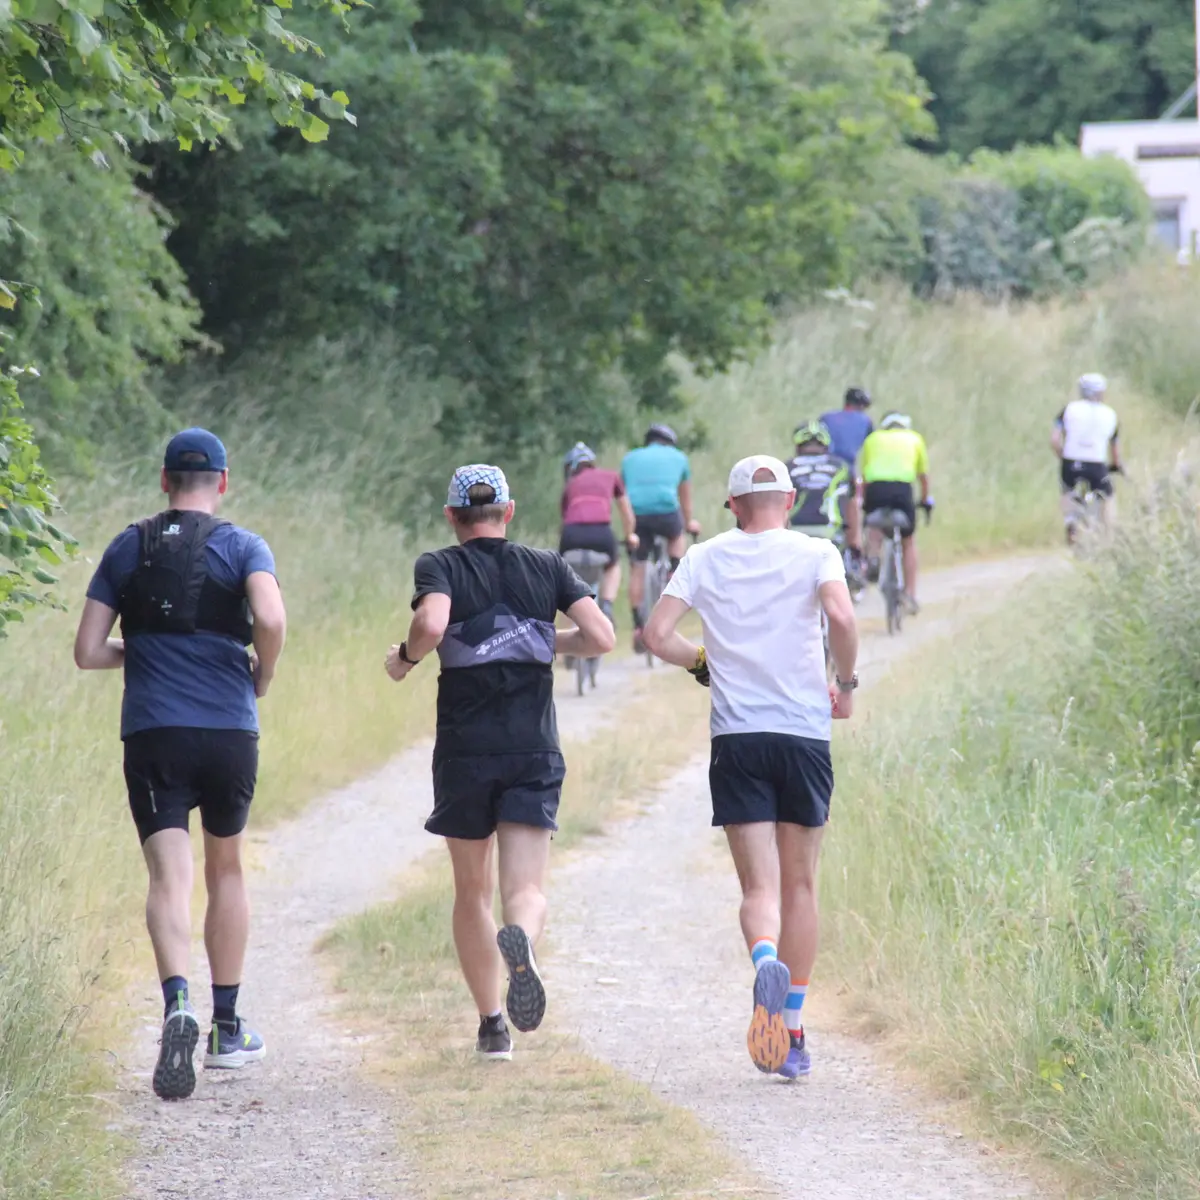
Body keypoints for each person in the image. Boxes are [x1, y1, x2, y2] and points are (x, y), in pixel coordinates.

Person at [74, 428, 287, 1101]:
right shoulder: (244, 545)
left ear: (163, 480)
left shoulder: (128, 545)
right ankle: (226, 1029)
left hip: (153, 732)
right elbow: (272, 619)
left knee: (169, 875)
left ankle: (177, 1006)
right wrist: (263, 672)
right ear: (222, 482)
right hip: (228, 729)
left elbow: (86, 650)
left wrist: (139, 653)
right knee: (226, 867)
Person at [384, 464, 614, 1061]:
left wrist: (406, 658)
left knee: (471, 891)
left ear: (452, 517)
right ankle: (524, 946)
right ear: (508, 511)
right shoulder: (546, 565)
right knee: (526, 887)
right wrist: (539, 639)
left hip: (465, 748)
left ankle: (492, 1027)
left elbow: (432, 623)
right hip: (532, 744)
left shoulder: (440, 564)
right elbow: (602, 637)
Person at [642, 455, 858, 1080]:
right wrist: (843, 682)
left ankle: (764, 956)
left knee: (759, 891)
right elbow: (841, 617)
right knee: (801, 888)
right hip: (802, 735)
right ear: (789, 501)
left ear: (733, 505)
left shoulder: (706, 556)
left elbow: (657, 635)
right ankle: (789, 1029)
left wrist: (702, 663)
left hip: (737, 736)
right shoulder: (817, 552)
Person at [620, 423, 701, 652]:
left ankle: (637, 626)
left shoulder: (629, 458)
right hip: (667, 513)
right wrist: (688, 523)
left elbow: (623, 496)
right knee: (677, 536)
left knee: (638, 568)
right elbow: (685, 499)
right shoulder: (679, 457)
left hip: (638, 516)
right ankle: (674, 570)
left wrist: (629, 529)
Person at [859, 411, 932, 611]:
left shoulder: (872, 439)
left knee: (874, 524)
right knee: (908, 542)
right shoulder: (914, 438)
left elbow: (864, 477)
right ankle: (910, 594)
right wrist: (925, 500)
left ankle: (873, 555)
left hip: (876, 488)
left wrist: (863, 502)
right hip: (902, 490)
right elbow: (923, 477)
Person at [559, 442, 639, 624]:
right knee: (613, 565)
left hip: (571, 536)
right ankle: (607, 604)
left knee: (564, 577)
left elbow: (564, 521)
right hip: (601, 534)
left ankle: (569, 624)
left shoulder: (570, 485)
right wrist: (630, 536)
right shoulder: (611, 476)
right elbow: (627, 513)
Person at [786, 421, 863, 575]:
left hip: (794, 533)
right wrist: (855, 544)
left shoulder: (787, 468)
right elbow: (851, 506)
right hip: (831, 532)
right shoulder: (841, 467)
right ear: (826, 446)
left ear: (798, 446)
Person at [1051, 373, 1122, 542]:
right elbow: (1115, 448)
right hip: (1097, 464)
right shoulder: (1110, 414)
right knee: (1107, 497)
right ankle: (1109, 535)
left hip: (1070, 461)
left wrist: (1063, 455)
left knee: (1068, 490)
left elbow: (1054, 439)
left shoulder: (1068, 409)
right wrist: (1116, 465)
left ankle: (1070, 523)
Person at [819, 386, 874, 472]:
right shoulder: (865, 421)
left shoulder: (826, 418)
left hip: (823, 467)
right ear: (861, 406)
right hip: (848, 469)